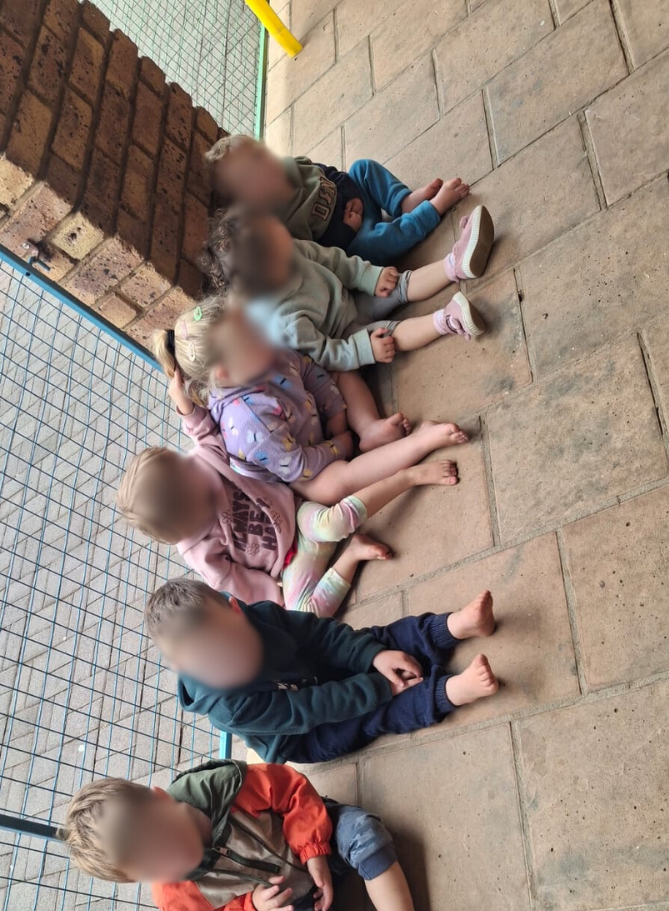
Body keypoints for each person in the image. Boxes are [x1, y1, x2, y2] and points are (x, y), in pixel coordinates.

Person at [61, 757, 474, 911]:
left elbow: (291, 790)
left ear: (161, 799)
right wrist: (253, 909)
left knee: (364, 833)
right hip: (286, 903)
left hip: (317, 839)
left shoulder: (221, 787)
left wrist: (313, 849)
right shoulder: (174, 899)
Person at [117, 353, 460, 615]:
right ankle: (353, 555)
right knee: (305, 615)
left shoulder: (202, 463)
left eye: (182, 462)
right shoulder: (199, 550)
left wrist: (184, 406)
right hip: (291, 564)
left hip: (298, 511)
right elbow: (234, 582)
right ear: (187, 510)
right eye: (186, 472)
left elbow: (203, 434)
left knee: (333, 522)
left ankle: (408, 477)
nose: (192, 461)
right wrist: (277, 601)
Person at [150, 293, 468, 506]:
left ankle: (369, 429)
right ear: (224, 374)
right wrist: (340, 445)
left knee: (339, 371)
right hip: (299, 471)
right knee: (332, 487)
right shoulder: (249, 425)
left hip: (315, 418)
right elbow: (299, 467)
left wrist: (338, 416)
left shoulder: (261, 351)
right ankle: (419, 442)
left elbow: (307, 370)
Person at [144, 578, 500, 763]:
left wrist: (372, 656)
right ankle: (453, 691)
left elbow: (318, 634)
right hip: (305, 733)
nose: (235, 662)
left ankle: (454, 626)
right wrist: (379, 688)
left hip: (310, 669)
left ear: (236, 610)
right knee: (372, 714)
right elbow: (310, 708)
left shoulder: (260, 614)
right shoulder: (230, 708)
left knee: (377, 640)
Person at [203, 205, 493, 376]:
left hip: (350, 297)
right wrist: (364, 350)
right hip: (347, 336)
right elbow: (325, 353)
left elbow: (332, 260)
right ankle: (448, 320)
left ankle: (456, 265)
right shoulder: (282, 321)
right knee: (389, 335)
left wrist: (369, 277)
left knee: (398, 284)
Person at [206, 132, 470, 265]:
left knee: (362, 167)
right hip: (352, 238)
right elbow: (316, 252)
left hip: (356, 200)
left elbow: (329, 173)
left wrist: (352, 194)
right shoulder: (278, 221)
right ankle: (432, 210)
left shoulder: (290, 165)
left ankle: (403, 202)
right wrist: (347, 230)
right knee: (369, 246)